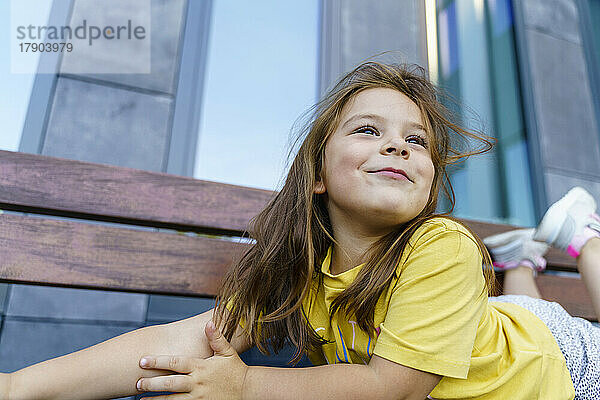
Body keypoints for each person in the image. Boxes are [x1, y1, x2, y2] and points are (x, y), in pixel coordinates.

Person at [1, 60, 598, 399]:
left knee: (549, 325)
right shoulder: (297, 268)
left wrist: (244, 388)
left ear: (427, 184)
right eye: (367, 130)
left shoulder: (441, 246)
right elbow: (194, 339)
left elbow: (392, 390)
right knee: (519, 314)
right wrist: (21, 385)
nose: (396, 143)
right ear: (316, 174)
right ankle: (522, 263)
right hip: (496, 329)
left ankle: (586, 237)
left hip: (561, 369)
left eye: (416, 141)